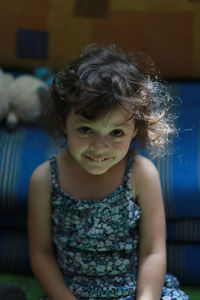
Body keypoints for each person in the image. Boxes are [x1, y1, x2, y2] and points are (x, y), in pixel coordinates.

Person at [28, 44, 189, 300]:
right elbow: (41, 254)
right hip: (70, 294)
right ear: (64, 122)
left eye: (116, 133)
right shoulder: (45, 179)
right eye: (85, 130)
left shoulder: (141, 175)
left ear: (135, 129)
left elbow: (153, 253)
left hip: (135, 291)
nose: (100, 147)